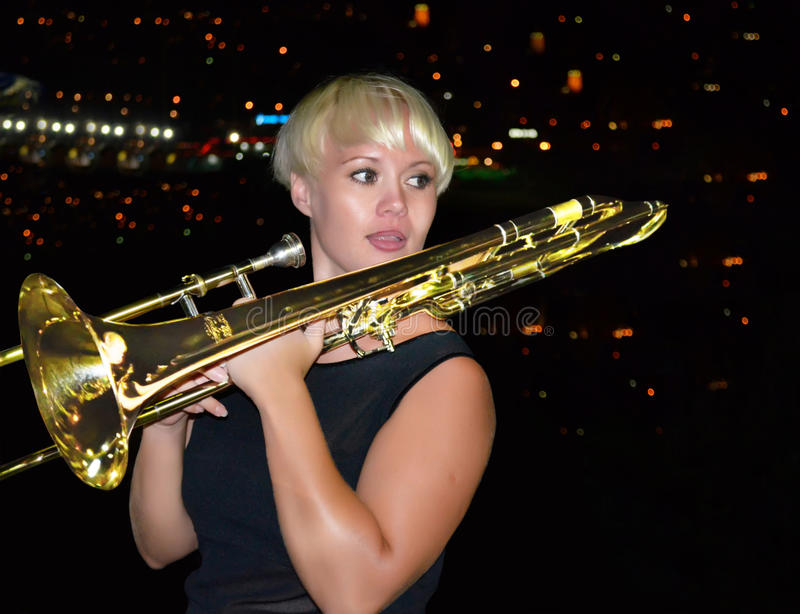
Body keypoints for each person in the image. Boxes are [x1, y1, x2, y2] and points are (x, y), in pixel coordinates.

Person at [129, 73, 496, 613]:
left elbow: (354, 595)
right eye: (366, 174)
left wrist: (278, 388)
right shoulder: (258, 341)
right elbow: (163, 547)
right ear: (303, 190)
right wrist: (164, 426)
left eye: (419, 180)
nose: (397, 203)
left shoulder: (446, 381)